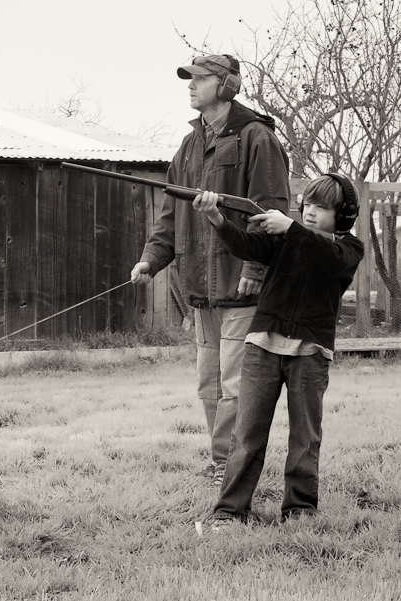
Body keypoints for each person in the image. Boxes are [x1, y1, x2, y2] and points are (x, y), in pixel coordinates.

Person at [130, 54, 291, 487]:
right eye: (189, 79)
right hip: (201, 290)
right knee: (209, 384)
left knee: (237, 386)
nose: (190, 86)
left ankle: (230, 467)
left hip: (242, 285)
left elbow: (270, 211)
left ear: (226, 86)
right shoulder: (189, 145)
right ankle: (222, 460)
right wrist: (151, 259)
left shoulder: (257, 138)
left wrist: (255, 269)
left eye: (199, 79)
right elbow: (169, 216)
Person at [191, 174, 364, 524]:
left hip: (311, 353)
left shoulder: (348, 248)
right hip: (262, 347)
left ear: (342, 215)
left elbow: (327, 257)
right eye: (309, 205)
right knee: (246, 435)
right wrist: (216, 217)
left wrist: (290, 228)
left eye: (323, 207)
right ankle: (230, 511)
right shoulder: (287, 238)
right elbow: (246, 246)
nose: (311, 212)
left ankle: (300, 510)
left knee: (305, 438)